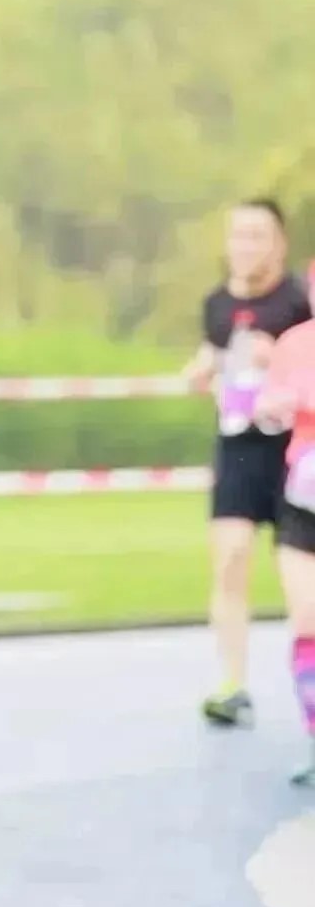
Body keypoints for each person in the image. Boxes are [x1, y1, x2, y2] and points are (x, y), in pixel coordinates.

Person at [181, 199, 311, 726]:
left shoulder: (300, 301)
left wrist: (276, 355)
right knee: (230, 556)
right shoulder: (216, 303)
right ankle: (233, 683)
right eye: (238, 235)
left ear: (279, 244)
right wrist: (202, 368)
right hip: (237, 445)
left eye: (258, 235)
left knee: (299, 575)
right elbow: (216, 354)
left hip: (296, 453)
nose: (246, 245)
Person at [257, 259, 315, 784]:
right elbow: (268, 408)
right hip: (303, 497)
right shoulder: (293, 344)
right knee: (307, 621)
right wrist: (271, 408)